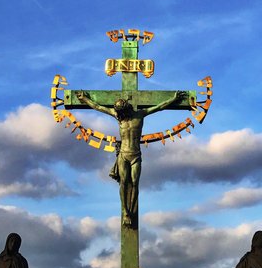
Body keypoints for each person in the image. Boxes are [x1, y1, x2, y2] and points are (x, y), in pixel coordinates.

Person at [75, 91, 186, 227]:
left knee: (134, 183)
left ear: (127, 108)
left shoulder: (140, 114)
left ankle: (131, 212)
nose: (121, 115)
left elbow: (159, 107)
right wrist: (85, 99)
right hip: (123, 154)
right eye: (119, 113)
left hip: (135, 154)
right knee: (124, 183)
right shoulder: (118, 116)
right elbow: (98, 107)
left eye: (122, 112)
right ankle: (125, 212)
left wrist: (173, 99)